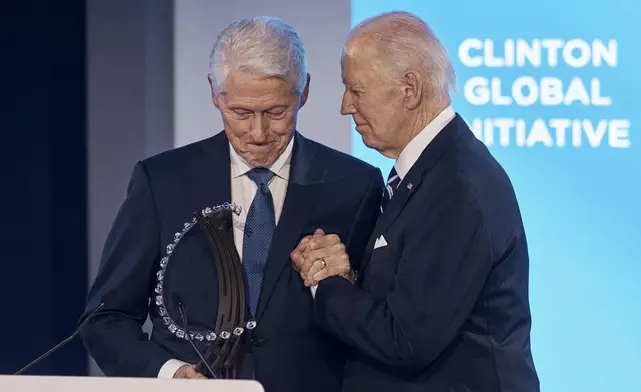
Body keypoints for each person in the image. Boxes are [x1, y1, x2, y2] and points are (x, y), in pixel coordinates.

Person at [79, 16, 383, 392]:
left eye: (276, 112)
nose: (258, 133)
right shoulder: (162, 182)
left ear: (303, 92)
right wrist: (170, 374)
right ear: (214, 93)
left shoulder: (354, 185)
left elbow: (380, 322)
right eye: (240, 113)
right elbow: (106, 318)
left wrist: (348, 281)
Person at [291, 11, 541, 392]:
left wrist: (325, 282)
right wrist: (350, 278)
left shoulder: (456, 186)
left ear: (410, 89)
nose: (345, 106)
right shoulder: (432, 173)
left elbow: (406, 338)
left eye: (356, 89)